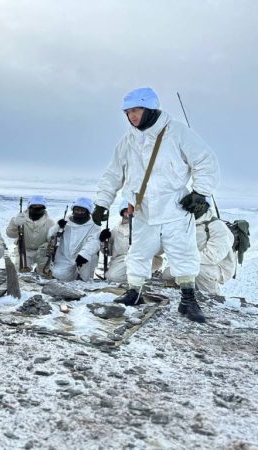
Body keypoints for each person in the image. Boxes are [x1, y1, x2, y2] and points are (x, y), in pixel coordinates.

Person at [93, 87, 219, 323]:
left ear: (150, 109)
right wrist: (102, 202)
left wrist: (200, 193)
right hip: (143, 211)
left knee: (183, 254)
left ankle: (188, 299)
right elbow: (113, 173)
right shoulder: (128, 140)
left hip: (175, 209)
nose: (132, 116)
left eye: (136, 110)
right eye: (128, 111)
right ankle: (135, 292)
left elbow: (205, 161)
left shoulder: (177, 132)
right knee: (138, 253)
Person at [162, 199, 235, 296]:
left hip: (215, 267)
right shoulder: (187, 223)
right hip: (191, 262)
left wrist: (186, 260)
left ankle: (212, 299)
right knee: (166, 275)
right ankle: (182, 293)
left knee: (196, 270)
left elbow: (212, 256)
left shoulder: (217, 227)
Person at [101, 200, 163, 283]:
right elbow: (108, 252)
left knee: (135, 274)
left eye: (130, 210)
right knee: (112, 276)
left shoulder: (146, 226)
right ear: (121, 213)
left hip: (142, 258)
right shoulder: (116, 229)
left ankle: (143, 276)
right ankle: (139, 278)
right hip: (121, 259)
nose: (128, 213)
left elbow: (159, 249)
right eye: (125, 211)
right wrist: (103, 241)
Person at [48, 197, 100, 281]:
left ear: (88, 212)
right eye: (77, 210)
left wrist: (84, 254)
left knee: (91, 260)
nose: (79, 212)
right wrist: (58, 226)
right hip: (64, 257)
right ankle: (74, 274)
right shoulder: (65, 221)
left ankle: (85, 277)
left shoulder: (94, 225)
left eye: (82, 210)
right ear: (73, 210)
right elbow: (50, 235)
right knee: (58, 275)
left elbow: (94, 242)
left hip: (83, 256)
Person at [6, 195, 54, 274]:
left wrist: (47, 245)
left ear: (44, 208)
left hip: (42, 252)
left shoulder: (50, 223)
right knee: (20, 271)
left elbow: (52, 240)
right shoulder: (20, 219)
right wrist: (14, 223)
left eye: (39, 207)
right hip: (24, 250)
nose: (37, 209)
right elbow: (10, 234)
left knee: (44, 273)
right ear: (29, 207)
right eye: (34, 207)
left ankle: (39, 271)